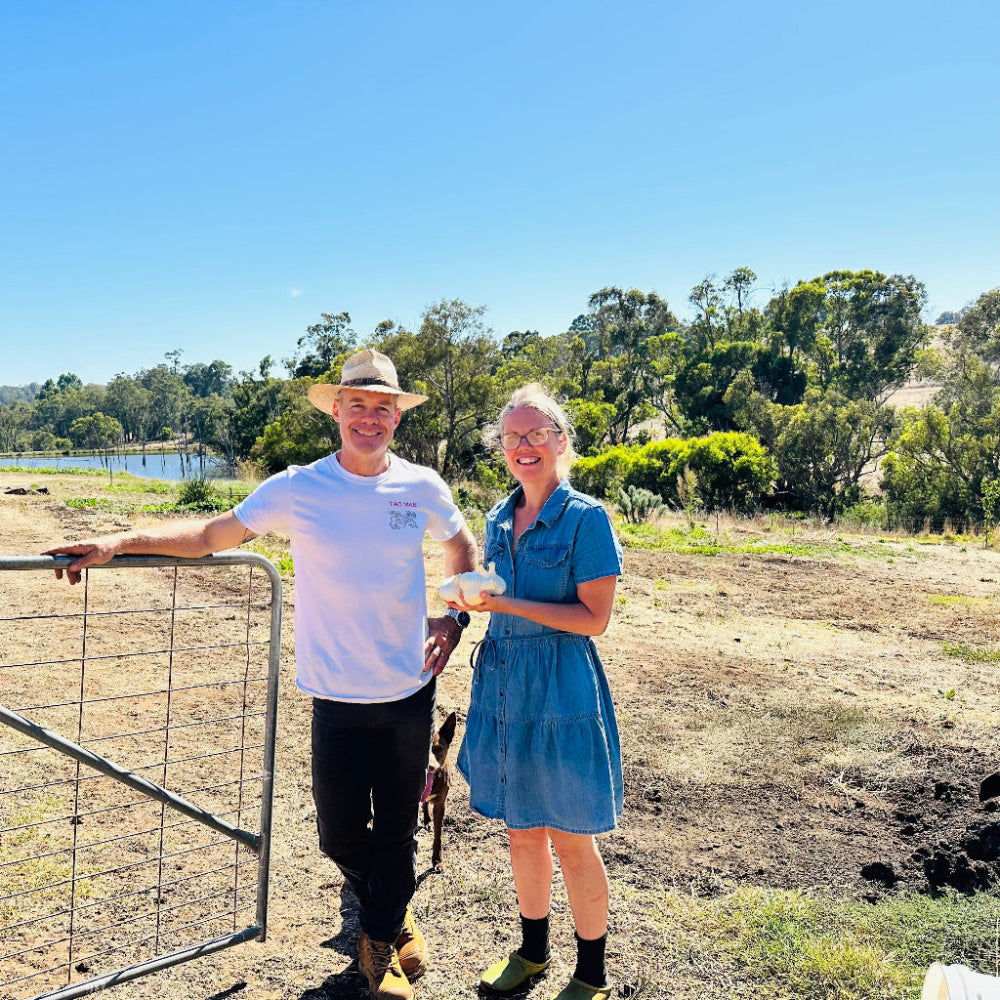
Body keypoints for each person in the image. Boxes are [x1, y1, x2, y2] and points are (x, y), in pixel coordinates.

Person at [46, 348, 478, 1000]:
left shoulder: (422, 486)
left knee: (396, 828)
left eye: (382, 408)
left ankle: (381, 947)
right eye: (356, 405)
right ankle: (394, 911)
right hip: (335, 697)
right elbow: (207, 536)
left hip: (407, 693)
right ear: (337, 411)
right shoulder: (300, 487)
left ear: (397, 416)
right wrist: (118, 543)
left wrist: (455, 615)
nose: (369, 418)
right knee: (338, 834)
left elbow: (463, 546)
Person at [449, 384, 624, 1000]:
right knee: (521, 829)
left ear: (560, 442)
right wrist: (465, 605)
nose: (524, 447)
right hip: (505, 684)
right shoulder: (499, 518)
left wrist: (506, 602)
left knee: (571, 835)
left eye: (536, 435)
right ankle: (532, 951)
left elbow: (593, 619)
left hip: (562, 687)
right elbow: (494, 595)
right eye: (513, 437)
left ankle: (592, 974)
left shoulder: (585, 518)